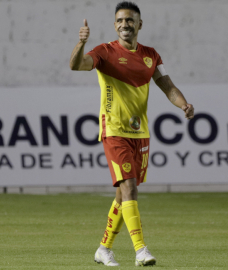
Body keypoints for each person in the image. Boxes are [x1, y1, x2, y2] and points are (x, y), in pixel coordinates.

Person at [69, 1, 194, 267]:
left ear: (139, 24)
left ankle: (104, 249)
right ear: (114, 25)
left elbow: (167, 85)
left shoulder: (151, 55)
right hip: (114, 130)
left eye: (129, 20)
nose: (124, 24)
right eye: (120, 21)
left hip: (141, 133)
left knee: (121, 197)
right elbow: (77, 66)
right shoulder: (104, 52)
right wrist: (80, 44)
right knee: (130, 189)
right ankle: (141, 250)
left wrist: (183, 104)